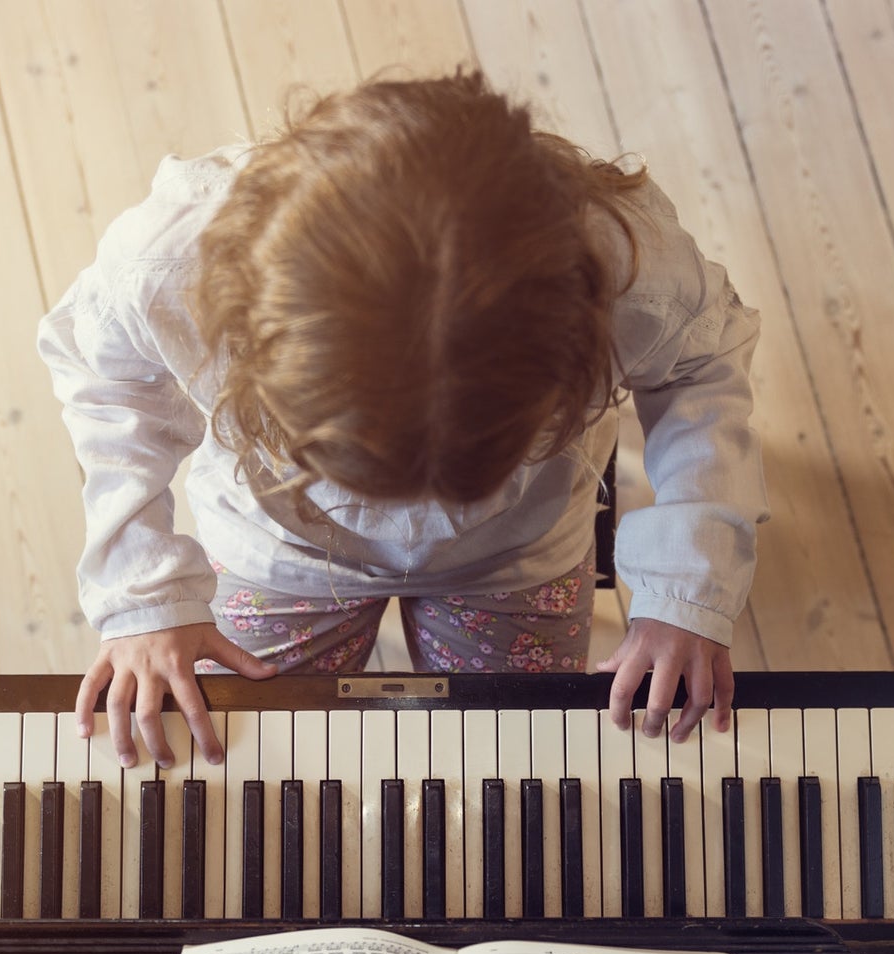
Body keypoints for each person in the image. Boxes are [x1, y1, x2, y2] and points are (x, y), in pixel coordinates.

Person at [39, 71, 766, 770]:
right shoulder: (168, 265)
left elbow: (699, 366)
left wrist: (686, 589)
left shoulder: (629, 266)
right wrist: (146, 594)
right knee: (256, 754)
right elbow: (105, 375)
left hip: (513, 552)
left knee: (507, 765)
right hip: (281, 546)